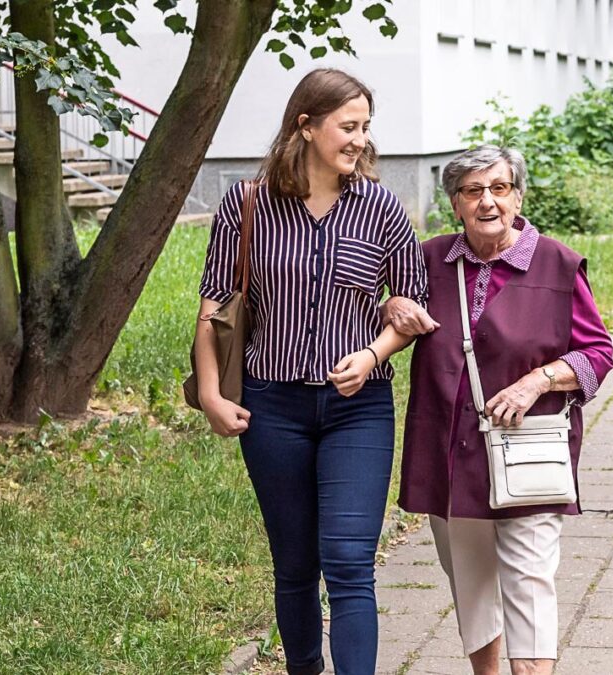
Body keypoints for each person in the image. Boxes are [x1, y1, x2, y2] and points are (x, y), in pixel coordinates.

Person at [193, 68, 427, 675]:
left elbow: (410, 308)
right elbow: (215, 309)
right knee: (295, 564)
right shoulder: (246, 204)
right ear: (306, 125)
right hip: (272, 407)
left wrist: (374, 353)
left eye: (365, 127)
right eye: (348, 126)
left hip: (359, 408)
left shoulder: (381, 207)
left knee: (349, 562)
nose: (360, 139)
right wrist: (214, 397)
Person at [386, 145, 613, 675]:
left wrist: (536, 382)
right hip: (447, 445)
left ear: (518, 195)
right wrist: (392, 302)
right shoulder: (429, 260)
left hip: (529, 447)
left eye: (500, 188)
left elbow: (598, 352)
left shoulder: (557, 264)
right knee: (468, 578)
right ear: (455, 203)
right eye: (473, 191)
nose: (487, 202)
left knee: (531, 579)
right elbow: (396, 309)